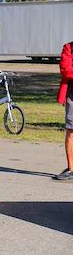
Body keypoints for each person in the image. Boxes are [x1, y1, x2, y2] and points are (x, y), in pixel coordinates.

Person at [55, 41, 73, 180]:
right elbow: (65, 70)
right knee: (71, 132)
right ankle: (71, 169)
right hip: (72, 96)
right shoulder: (69, 47)